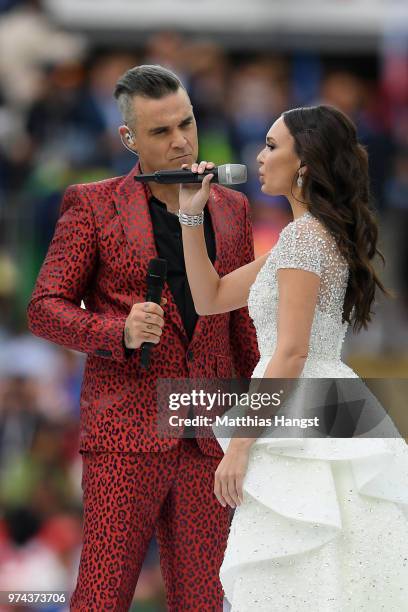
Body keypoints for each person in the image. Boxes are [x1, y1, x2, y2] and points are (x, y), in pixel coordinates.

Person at [27, 64, 260, 611]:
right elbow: (43, 309)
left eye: (187, 124)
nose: (180, 142)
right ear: (128, 138)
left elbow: (243, 330)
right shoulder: (93, 204)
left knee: (205, 603)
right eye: (161, 131)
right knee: (102, 599)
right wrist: (118, 330)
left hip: (209, 437)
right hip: (125, 434)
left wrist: (253, 430)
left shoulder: (232, 209)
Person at [178, 105, 408, 611]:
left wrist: (239, 445)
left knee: (301, 564)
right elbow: (210, 298)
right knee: (327, 562)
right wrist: (191, 217)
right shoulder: (304, 236)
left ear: (303, 163)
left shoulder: (305, 239)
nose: (259, 157)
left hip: (301, 404)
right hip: (325, 402)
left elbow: (291, 351)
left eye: (272, 146)